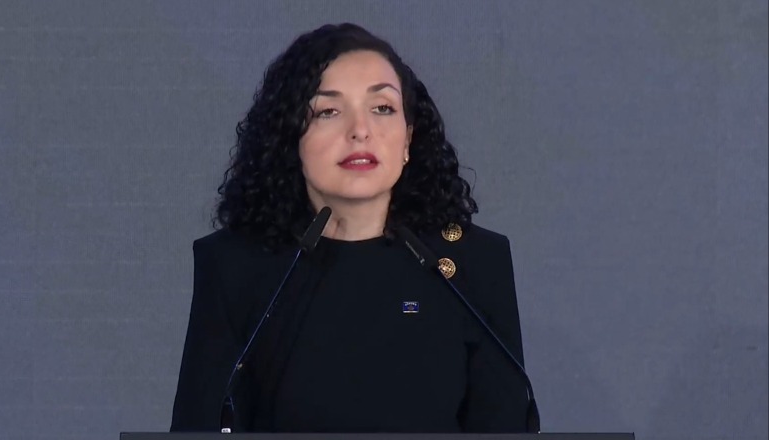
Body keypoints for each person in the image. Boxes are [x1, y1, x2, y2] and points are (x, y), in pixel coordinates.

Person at [171, 23, 531, 433]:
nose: (360, 130)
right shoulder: (235, 265)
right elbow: (199, 427)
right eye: (328, 111)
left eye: (382, 108)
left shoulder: (473, 263)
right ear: (291, 138)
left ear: (408, 139)